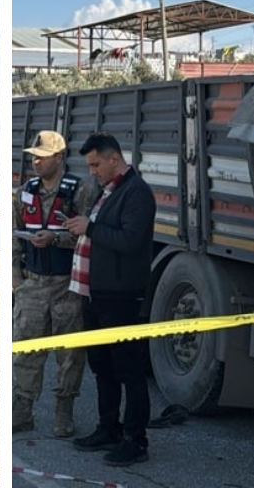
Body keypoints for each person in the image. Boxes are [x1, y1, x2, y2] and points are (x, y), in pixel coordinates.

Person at [64, 131, 157, 467]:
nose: (92, 172)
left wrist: (89, 227)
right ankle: (109, 428)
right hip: (96, 293)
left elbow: (130, 240)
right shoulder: (109, 191)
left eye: (96, 165)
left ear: (114, 159)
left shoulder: (137, 192)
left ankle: (136, 440)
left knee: (128, 368)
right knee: (102, 365)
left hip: (121, 296)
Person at [13, 131, 99, 438]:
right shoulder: (25, 192)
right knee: (26, 350)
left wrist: (57, 238)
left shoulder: (81, 190)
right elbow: (14, 235)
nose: (36, 162)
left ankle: (64, 411)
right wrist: (16, 280)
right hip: (33, 284)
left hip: (67, 286)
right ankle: (22, 410)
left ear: (59, 157)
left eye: (43, 156)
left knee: (70, 353)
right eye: (34, 157)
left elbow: (91, 235)